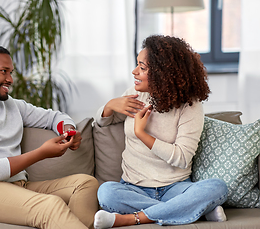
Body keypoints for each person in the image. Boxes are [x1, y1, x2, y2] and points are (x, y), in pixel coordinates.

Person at [0, 44, 99, 229]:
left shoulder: (11, 106)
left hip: (17, 186)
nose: (10, 79)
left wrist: (67, 130)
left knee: (85, 183)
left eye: (10, 72)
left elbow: (53, 117)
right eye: (3, 71)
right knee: (49, 206)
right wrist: (41, 153)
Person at [93, 35, 228, 228]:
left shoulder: (189, 106)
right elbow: (102, 122)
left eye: (142, 67)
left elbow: (182, 157)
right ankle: (191, 210)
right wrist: (109, 106)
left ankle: (133, 218)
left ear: (162, 73)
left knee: (217, 187)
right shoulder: (136, 94)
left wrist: (143, 135)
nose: (134, 71)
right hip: (133, 188)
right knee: (106, 192)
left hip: (176, 187)